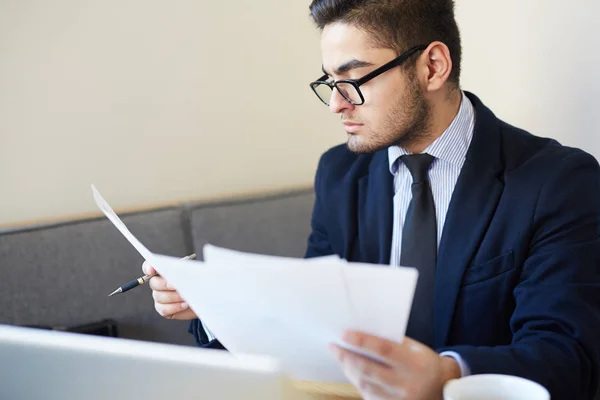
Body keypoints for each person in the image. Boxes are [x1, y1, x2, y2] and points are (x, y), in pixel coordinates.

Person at [143, 1, 600, 399]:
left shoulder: (557, 182)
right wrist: (214, 305)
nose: (336, 105)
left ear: (433, 67)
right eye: (329, 82)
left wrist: (446, 376)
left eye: (353, 78)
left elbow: (567, 357)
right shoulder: (340, 174)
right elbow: (314, 325)